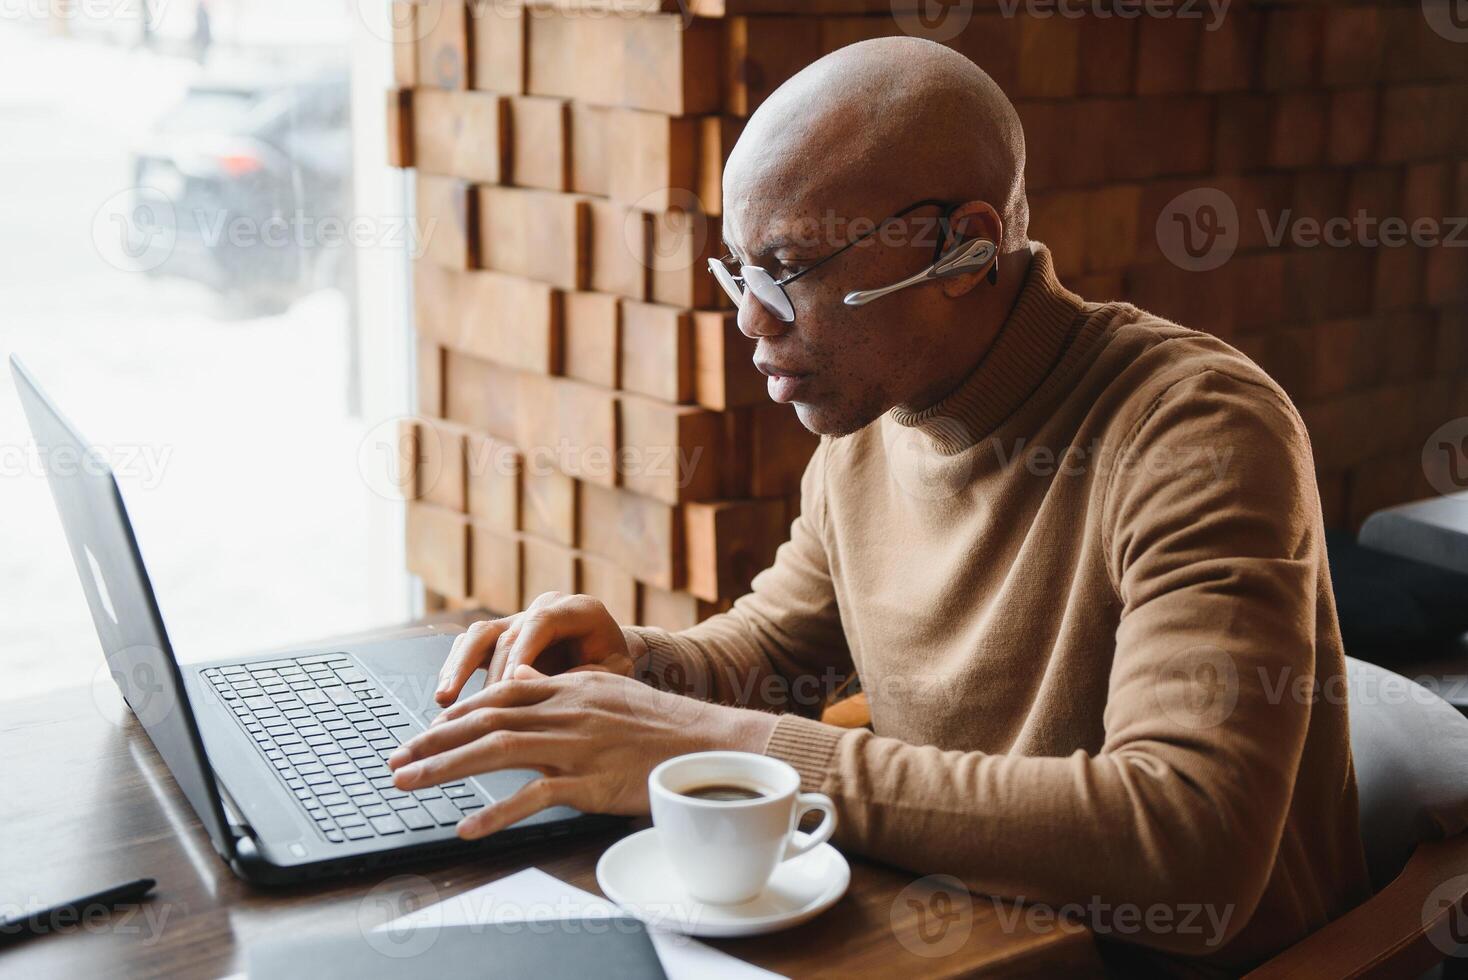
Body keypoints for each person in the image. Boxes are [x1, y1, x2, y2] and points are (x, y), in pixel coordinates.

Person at [387, 36, 1370, 972]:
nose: (749, 319)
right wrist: (638, 665)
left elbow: (1186, 838)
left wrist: (713, 738)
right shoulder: (876, 419)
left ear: (963, 249)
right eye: (737, 269)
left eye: (786, 268)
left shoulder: (1196, 430)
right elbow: (770, 656)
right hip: (959, 939)